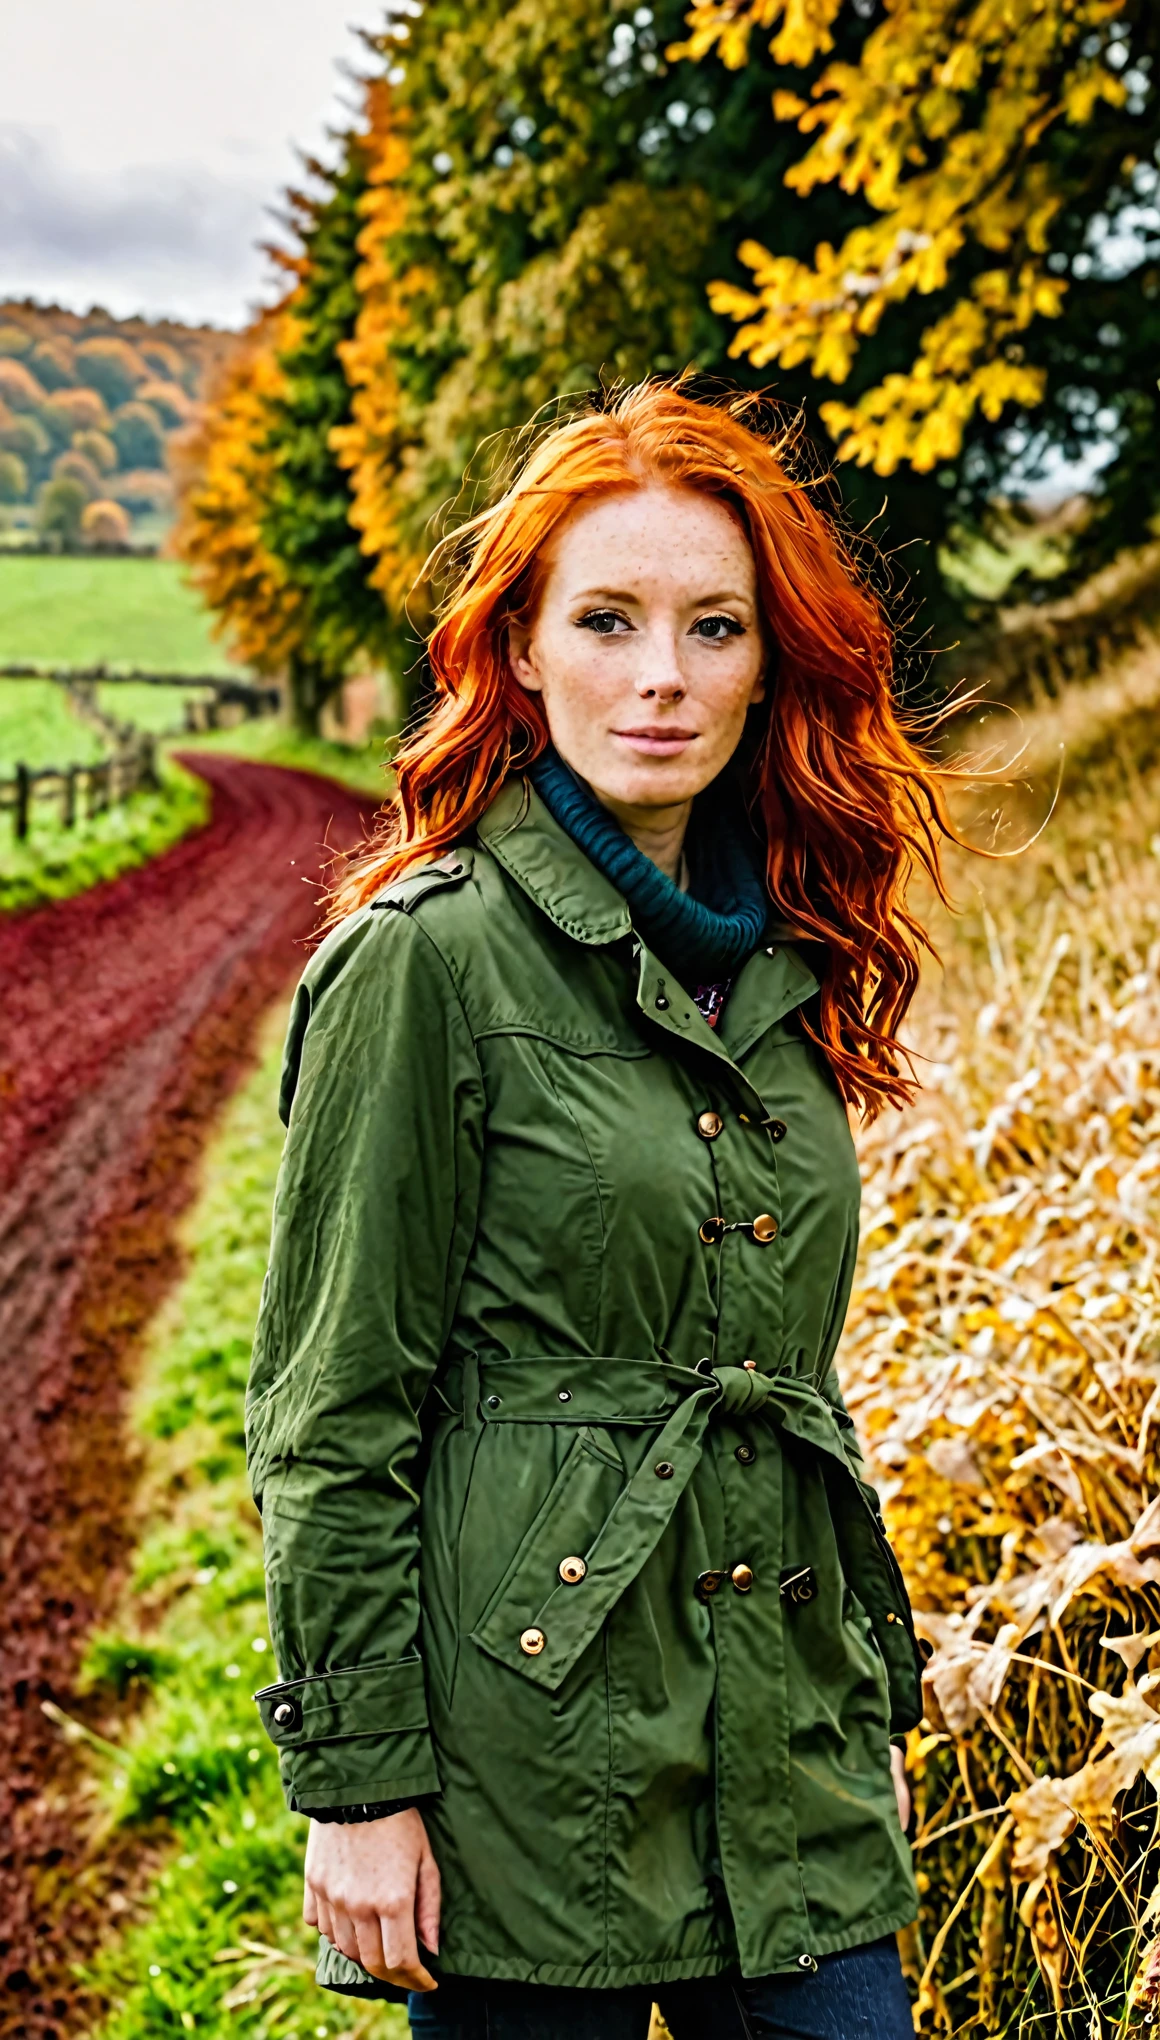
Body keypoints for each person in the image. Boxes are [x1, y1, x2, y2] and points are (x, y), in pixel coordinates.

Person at [246, 381, 951, 2039]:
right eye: (610, 620)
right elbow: (330, 1408)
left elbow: (782, 1362)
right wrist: (355, 1785)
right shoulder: (426, 959)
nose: (662, 678)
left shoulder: (791, 956)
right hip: (523, 1773)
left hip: (789, 1757)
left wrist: (849, 1706)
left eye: (715, 627)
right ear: (519, 648)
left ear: (771, 657)